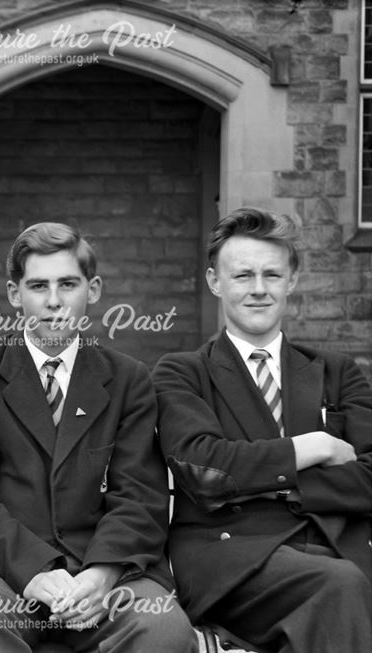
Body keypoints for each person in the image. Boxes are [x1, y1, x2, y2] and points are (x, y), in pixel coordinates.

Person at [0, 222, 197, 652]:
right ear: (15, 295)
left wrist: (103, 572)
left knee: (164, 629)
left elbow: (141, 495)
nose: (54, 301)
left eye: (68, 284)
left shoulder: (128, 379)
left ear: (92, 290)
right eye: (38, 285)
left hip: (105, 569)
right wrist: (33, 570)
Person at [153, 207, 372, 652]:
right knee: (338, 586)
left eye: (272, 275)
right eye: (243, 276)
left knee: (339, 584)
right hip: (230, 559)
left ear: (291, 280)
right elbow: (205, 468)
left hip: (336, 543)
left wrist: (284, 487)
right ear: (216, 282)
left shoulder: (338, 372)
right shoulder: (182, 373)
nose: (258, 289)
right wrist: (314, 446)